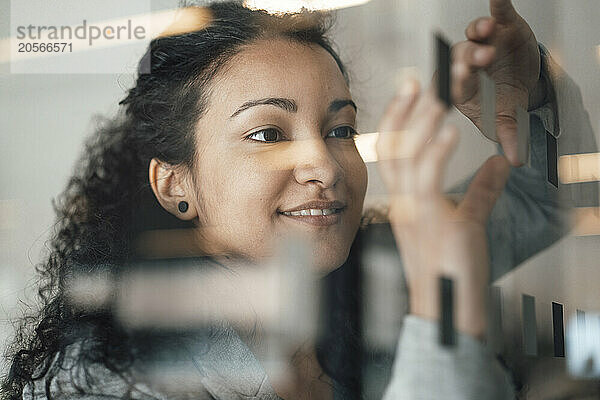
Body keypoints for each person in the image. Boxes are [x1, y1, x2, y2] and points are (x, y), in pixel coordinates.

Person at [1, 1, 596, 399]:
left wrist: (535, 86)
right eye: (267, 134)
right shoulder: (108, 379)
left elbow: (557, 199)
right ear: (174, 185)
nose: (323, 164)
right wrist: (444, 311)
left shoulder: (376, 268)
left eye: (340, 130)